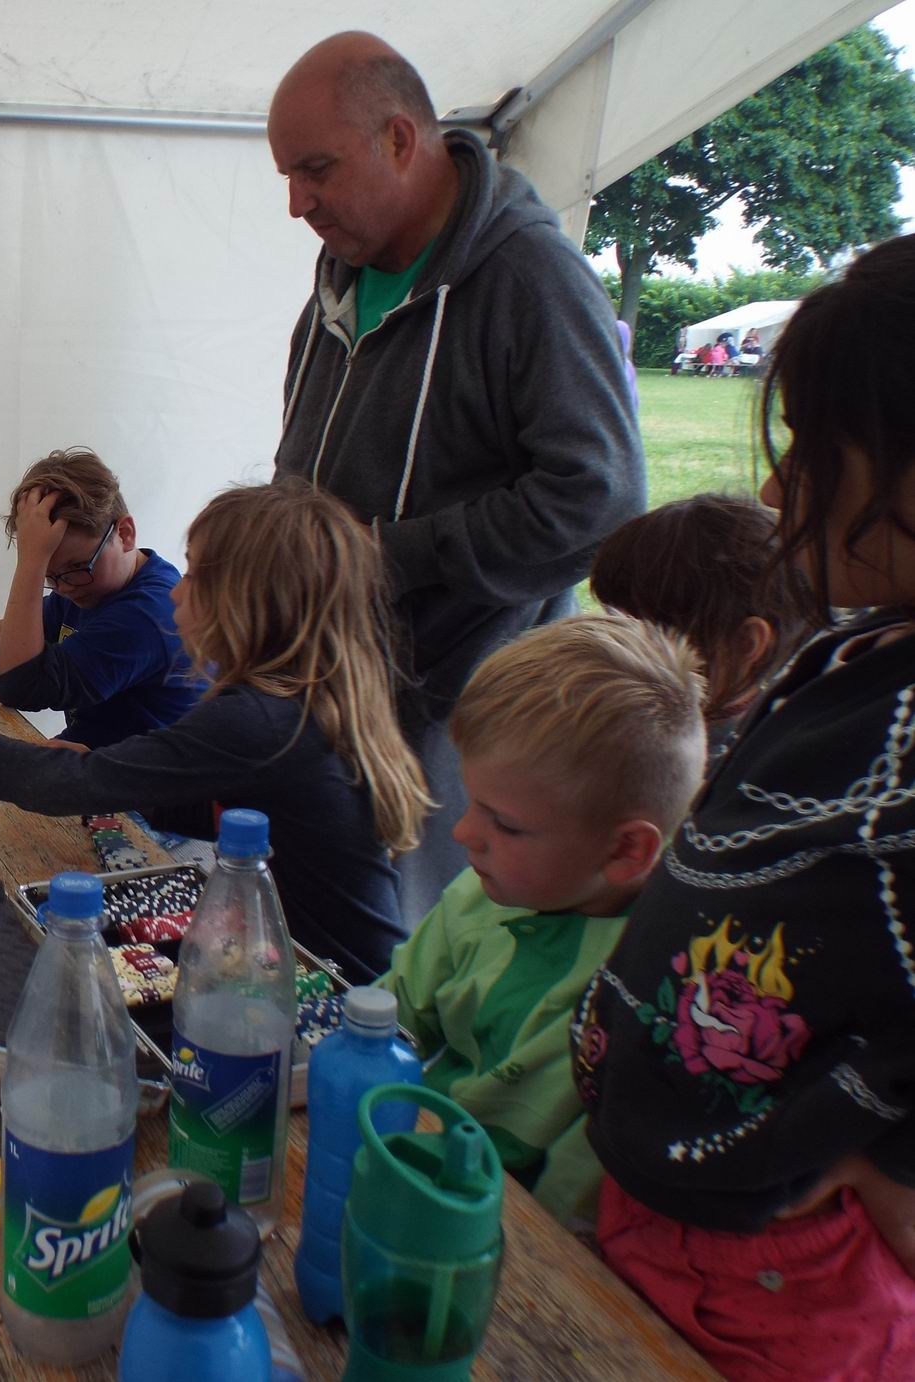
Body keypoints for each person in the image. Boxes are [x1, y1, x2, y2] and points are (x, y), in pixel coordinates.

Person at [573, 236, 915, 1381]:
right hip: (674, 1218)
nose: (775, 489)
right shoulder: (861, 654)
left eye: (811, 448)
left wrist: (896, 1162)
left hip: (783, 1286)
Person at [266, 33, 646, 923]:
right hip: (336, 690)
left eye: (315, 170)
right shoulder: (338, 281)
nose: (296, 204)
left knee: (424, 953)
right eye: (287, 176)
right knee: (324, 934)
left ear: (400, 139)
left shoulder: (530, 277)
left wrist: (383, 556)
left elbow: (599, 504)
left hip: (455, 716)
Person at [0, 478, 431, 982]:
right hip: (307, 963)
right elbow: (208, 806)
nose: (178, 592)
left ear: (246, 603)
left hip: (338, 990)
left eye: (194, 577)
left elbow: (71, 782)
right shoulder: (294, 707)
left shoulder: (260, 722)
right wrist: (119, 774)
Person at [377, 613, 707, 1228]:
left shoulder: (651, 994)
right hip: (414, 1154)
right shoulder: (481, 895)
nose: (463, 833)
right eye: (472, 804)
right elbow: (386, 1018)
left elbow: (569, 1211)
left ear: (625, 850)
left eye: (505, 825)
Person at [0, 446, 201, 749]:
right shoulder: (89, 584)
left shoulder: (147, 616)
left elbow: (19, 687)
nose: (63, 588)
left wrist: (31, 563)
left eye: (75, 568)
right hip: (95, 754)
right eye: (51, 577)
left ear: (125, 533)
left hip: (138, 779)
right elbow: (38, 623)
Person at [590, 494, 809, 753]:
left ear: (745, 642)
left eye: (647, 635)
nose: (616, 643)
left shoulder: (752, 754)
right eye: (613, 618)